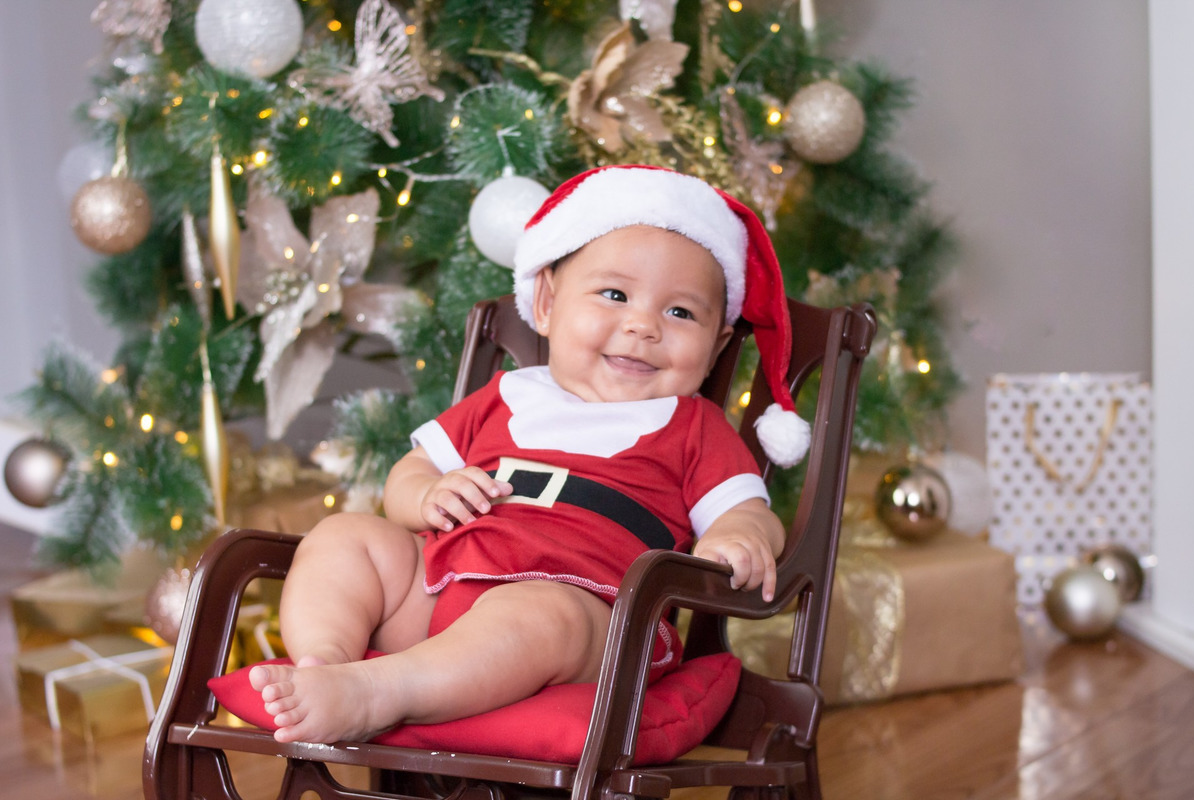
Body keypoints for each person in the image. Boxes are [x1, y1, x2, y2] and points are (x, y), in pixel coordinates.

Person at [249, 164, 811, 745]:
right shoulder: (507, 395)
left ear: (718, 343)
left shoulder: (693, 426)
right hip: (439, 586)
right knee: (344, 538)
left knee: (541, 615)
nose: (643, 325)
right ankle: (328, 663)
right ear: (546, 302)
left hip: (590, 617)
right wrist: (425, 494)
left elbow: (748, 512)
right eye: (614, 294)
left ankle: (381, 692)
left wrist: (740, 537)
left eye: (681, 313)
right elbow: (407, 476)